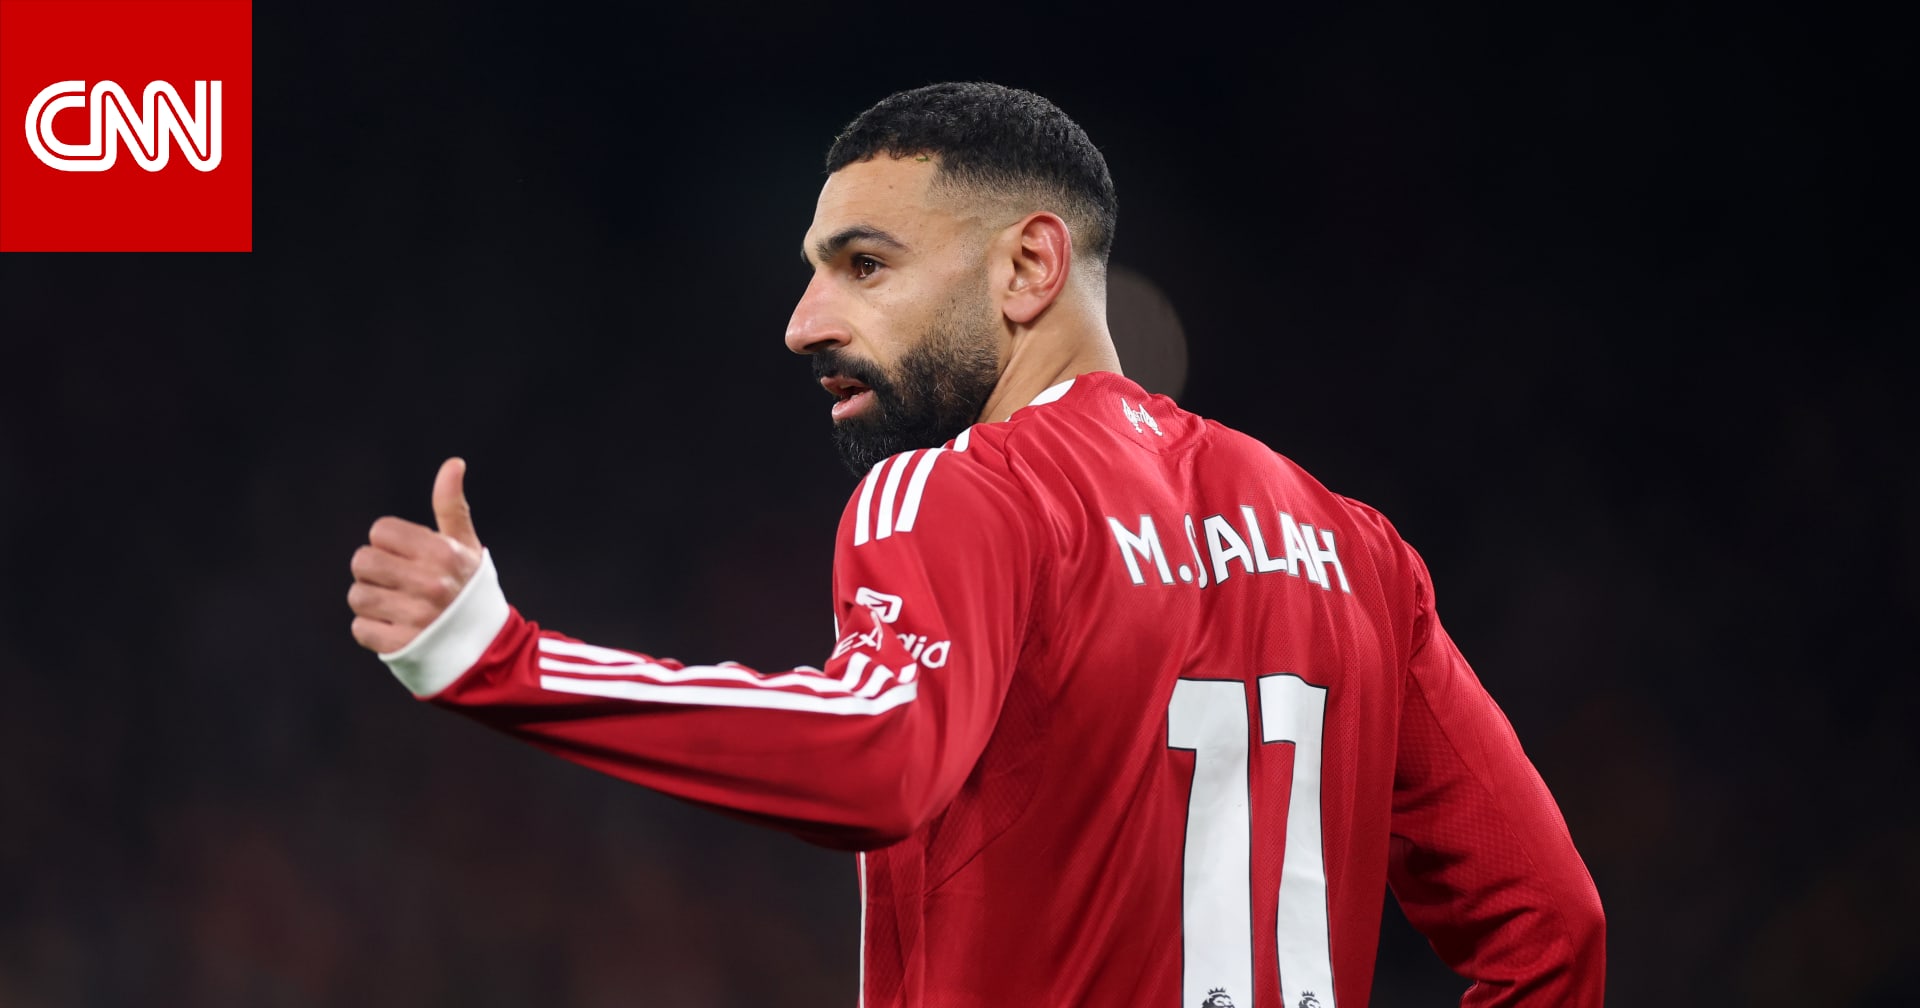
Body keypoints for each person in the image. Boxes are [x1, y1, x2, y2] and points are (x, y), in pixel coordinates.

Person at [346, 82, 1605, 1006]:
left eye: (864, 265)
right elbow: (1552, 927)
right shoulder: (1352, 548)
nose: (802, 322)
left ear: (1028, 266)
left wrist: (503, 658)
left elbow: (878, 756)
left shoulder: (964, 491)